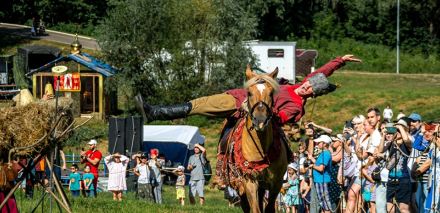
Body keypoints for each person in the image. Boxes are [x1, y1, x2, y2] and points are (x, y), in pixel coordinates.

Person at [133, 55, 362, 126]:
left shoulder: (295, 106)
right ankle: (154, 113)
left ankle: (155, 113)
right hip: (237, 96)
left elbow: (278, 118)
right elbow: (322, 71)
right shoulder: (297, 85)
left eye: (310, 87)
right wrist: (340, 60)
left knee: (199, 105)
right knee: (199, 102)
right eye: (308, 82)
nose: (306, 84)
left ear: (312, 94)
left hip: (242, 109)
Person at [309, 135, 333, 213]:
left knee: (325, 201)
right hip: (319, 180)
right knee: (322, 202)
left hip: (322, 180)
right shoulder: (323, 153)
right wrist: (312, 160)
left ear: (325, 144)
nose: (318, 144)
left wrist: (312, 166)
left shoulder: (325, 154)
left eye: (319, 143)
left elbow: (321, 168)